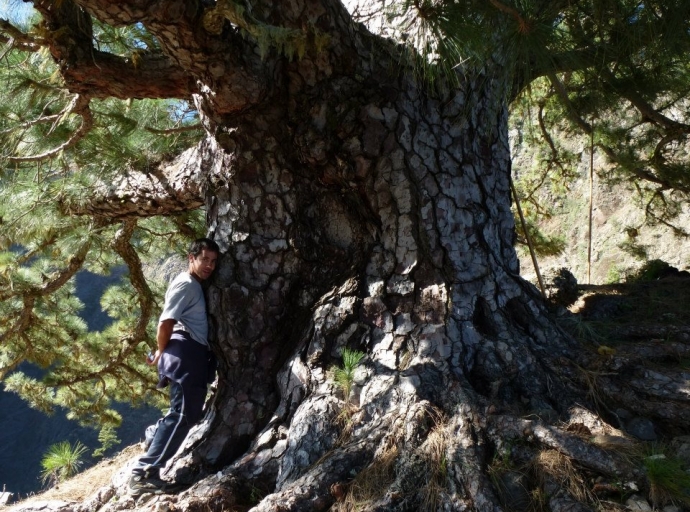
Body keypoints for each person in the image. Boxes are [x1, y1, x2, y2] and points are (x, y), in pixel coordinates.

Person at [129, 238, 220, 496]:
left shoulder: (194, 284)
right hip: (185, 355)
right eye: (204, 260)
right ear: (191, 258)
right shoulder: (186, 284)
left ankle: (153, 434)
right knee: (182, 415)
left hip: (190, 356)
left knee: (187, 415)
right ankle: (143, 474)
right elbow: (166, 321)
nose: (210, 266)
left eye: (213, 261)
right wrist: (160, 350)